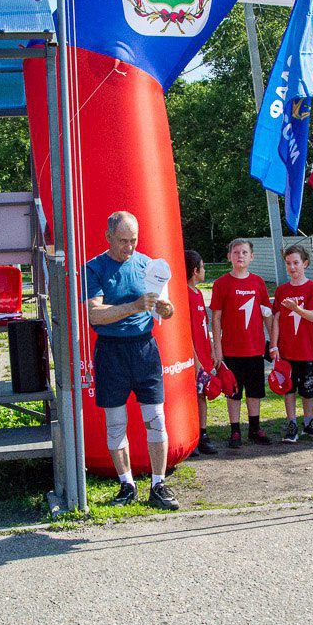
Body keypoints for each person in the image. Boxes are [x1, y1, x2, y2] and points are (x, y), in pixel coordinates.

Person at [83, 211, 179, 510]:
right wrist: (135, 306)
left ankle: (158, 484)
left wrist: (165, 309)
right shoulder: (94, 268)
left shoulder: (149, 265)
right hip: (111, 351)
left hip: (144, 348)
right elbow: (94, 314)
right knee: (116, 422)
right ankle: (126, 484)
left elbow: (168, 309)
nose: (129, 247)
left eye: (133, 240)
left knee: (156, 418)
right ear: (108, 237)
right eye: (123, 240)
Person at [210, 238, 274, 448]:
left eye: (245, 252)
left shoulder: (258, 282)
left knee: (255, 391)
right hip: (231, 350)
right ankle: (235, 430)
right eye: (236, 252)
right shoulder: (221, 284)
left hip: (255, 349)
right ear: (229, 256)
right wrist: (217, 349)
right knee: (233, 391)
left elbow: (267, 314)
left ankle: (254, 429)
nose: (240, 256)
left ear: (252, 257)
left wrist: (274, 343)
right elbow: (216, 318)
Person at [269, 245, 313, 442]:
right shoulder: (281, 290)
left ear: (305, 264)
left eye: (296, 263)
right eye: (288, 263)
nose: (292, 267)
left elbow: (312, 316)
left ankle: (309, 423)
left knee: (308, 389)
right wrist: (274, 345)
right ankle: (292, 424)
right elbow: (276, 319)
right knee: (288, 388)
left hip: (307, 349)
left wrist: (296, 308)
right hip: (286, 350)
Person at [183, 250, 218, 455]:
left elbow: (204, 324)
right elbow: (185, 331)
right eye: (203, 267)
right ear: (195, 271)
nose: (205, 270)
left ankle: (202, 434)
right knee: (192, 396)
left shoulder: (197, 293)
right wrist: (195, 360)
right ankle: (192, 436)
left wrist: (211, 349)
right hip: (193, 356)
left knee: (202, 394)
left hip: (204, 354)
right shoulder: (184, 295)